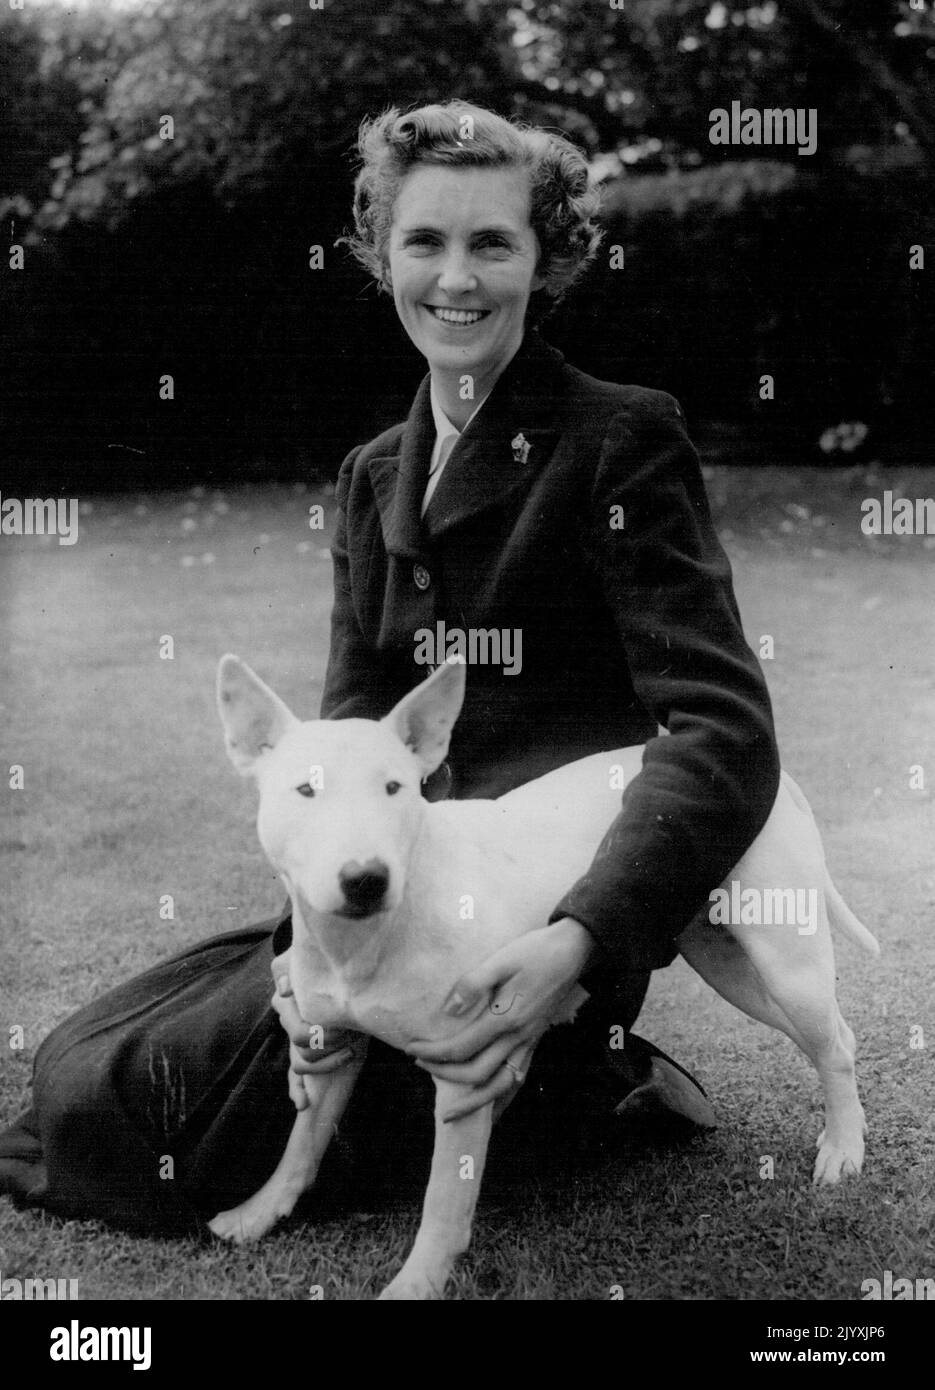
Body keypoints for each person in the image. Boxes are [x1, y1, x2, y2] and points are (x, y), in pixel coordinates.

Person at [0, 101, 780, 1237]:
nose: (454, 279)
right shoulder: (371, 473)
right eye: (424, 242)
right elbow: (345, 740)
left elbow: (722, 731)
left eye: (491, 243)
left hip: (538, 922)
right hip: (383, 901)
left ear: (545, 257)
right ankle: (581, 1081)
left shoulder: (618, 437)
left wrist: (580, 940)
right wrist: (298, 958)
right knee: (89, 1055)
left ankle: (582, 1065)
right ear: (381, 254)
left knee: (130, 1127)